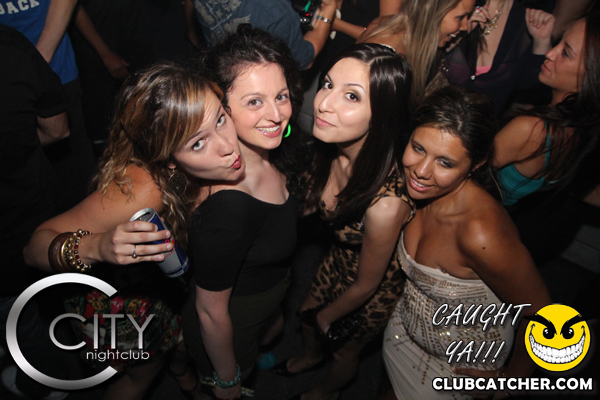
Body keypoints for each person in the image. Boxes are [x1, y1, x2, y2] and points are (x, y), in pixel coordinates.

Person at [23, 62, 246, 399]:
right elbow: (34, 248)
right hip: (119, 302)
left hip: (166, 287)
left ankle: (183, 376)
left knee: (180, 342)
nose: (228, 146)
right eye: (198, 144)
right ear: (169, 159)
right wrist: (97, 247)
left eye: (220, 119)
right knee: (141, 377)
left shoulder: (219, 154)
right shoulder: (145, 190)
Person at [381, 86, 551, 400]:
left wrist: (510, 383)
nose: (421, 171)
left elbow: (543, 314)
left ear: (476, 164)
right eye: (418, 148)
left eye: (445, 163)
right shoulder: (415, 190)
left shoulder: (480, 234)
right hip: (402, 334)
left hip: (459, 369)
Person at [272, 44, 414, 400]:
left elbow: (367, 284)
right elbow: (305, 204)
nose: (323, 103)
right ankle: (309, 358)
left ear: (381, 116)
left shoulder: (386, 204)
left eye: (351, 96)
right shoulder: (331, 148)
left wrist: (328, 317)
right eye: (328, 84)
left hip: (374, 289)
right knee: (306, 313)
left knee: (343, 350)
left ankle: (328, 391)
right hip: (337, 258)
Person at [180, 25, 308, 400]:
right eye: (254, 102)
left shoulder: (270, 150)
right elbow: (210, 312)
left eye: (281, 96)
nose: (277, 115)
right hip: (232, 329)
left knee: (271, 332)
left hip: (266, 302)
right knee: (244, 369)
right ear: (222, 109)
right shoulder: (229, 206)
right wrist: (227, 379)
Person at [0, 23, 70, 400]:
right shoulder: (9, 43)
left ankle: (47, 381)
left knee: (19, 315)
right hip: (33, 206)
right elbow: (57, 130)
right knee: (41, 301)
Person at [493, 12, 600, 207]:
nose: (550, 53)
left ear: (589, 79)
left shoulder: (532, 129)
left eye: (566, 53)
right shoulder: (580, 129)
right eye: (559, 42)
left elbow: (460, 171)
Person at [0, 0, 97, 211]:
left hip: (52, 71)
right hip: (11, 85)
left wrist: (36, 62)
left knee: (74, 173)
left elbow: (58, 132)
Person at [444, 0, 555, 116]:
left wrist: (542, 42)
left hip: (482, 125)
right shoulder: (458, 4)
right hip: (435, 116)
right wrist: (455, 36)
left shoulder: (526, 17)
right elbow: (432, 60)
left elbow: (527, 87)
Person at [358, 0, 475, 103]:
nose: (465, 26)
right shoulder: (388, 57)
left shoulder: (396, 30)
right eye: (460, 17)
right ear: (434, 11)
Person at [183, 0, 335, 71]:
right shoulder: (276, 12)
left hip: (222, 70)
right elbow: (304, 59)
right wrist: (329, 8)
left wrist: (194, 34)